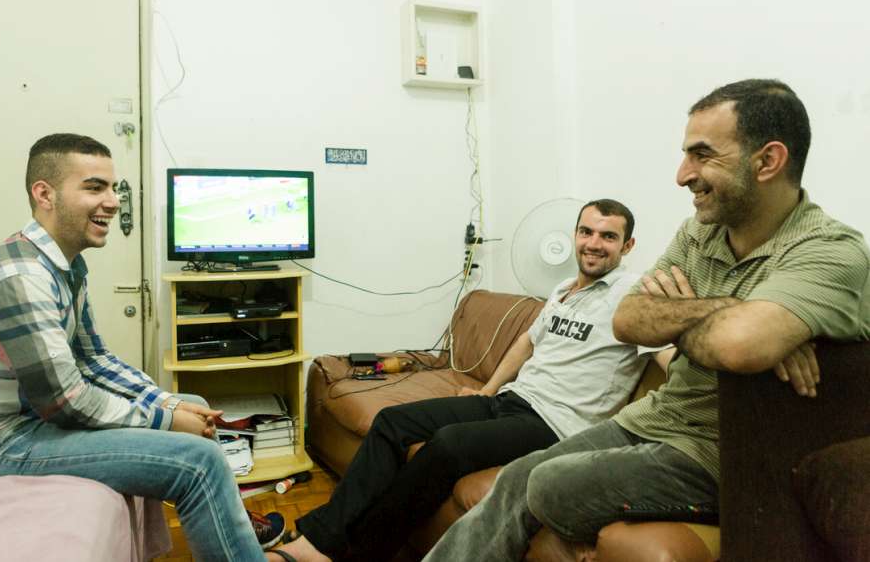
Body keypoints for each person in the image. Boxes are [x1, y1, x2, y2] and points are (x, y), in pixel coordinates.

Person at [422, 79, 870, 562]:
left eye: (702, 155)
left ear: (767, 161)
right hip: (656, 418)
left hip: (723, 453)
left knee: (549, 484)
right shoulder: (699, 231)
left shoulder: (830, 250)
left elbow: (740, 347)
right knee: (515, 477)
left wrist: (695, 319)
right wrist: (738, 311)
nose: (682, 175)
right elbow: (629, 319)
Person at [0, 134, 285, 561]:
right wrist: (165, 421)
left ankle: (230, 526)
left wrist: (167, 402)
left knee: (192, 401)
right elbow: (66, 401)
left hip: (26, 421)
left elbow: (92, 358)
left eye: (113, 188)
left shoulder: (65, 266)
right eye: (94, 188)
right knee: (198, 461)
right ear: (45, 194)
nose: (112, 202)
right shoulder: (21, 278)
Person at [275, 199, 671, 562]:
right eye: (586, 232)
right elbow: (525, 344)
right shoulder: (563, 289)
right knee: (392, 423)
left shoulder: (633, 295)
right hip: (511, 401)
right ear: (575, 235)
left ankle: (360, 553)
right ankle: (318, 541)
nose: (594, 243)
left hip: (555, 425)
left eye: (608, 236)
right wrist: (486, 390)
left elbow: (668, 355)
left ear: (629, 245)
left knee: (446, 446)